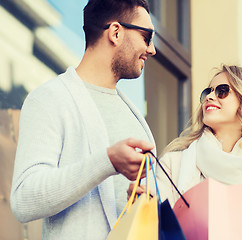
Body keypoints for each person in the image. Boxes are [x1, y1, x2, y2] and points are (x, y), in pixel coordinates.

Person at [10, 0, 156, 239]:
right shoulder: (50, 99)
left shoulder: (136, 117)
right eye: (147, 37)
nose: (152, 50)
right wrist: (108, 161)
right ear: (116, 32)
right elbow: (24, 199)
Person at [130, 64, 242, 238]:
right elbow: (158, 229)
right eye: (207, 92)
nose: (210, 97)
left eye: (222, 91)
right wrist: (142, 201)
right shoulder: (172, 163)